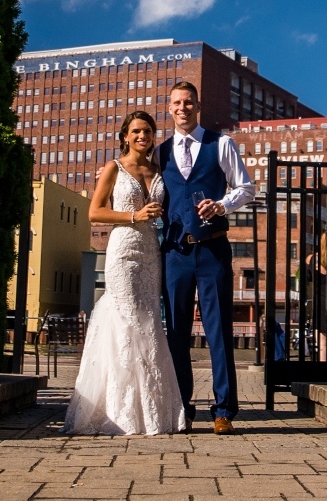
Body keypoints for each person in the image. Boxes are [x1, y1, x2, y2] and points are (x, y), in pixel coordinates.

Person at [61, 111, 187, 435]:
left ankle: (155, 411)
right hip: (122, 251)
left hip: (151, 253)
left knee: (149, 322)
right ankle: (121, 411)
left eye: (147, 131)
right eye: (136, 131)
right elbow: (94, 212)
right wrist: (134, 214)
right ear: (125, 136)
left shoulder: (159, 170)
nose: (142, 136)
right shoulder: (113, 169)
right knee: (129, 320)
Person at [159, 82, 255, 435]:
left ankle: (224, 409)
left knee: (218, 331)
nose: (182, 108)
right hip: (175, 253)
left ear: (197, 106)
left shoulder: (221, 144)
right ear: (169, 109)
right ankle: (182, 406)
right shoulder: (161, 152)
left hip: (213, 248)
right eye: (176, 103)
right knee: (176, 334)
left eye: (188, 102)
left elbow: (247, 188)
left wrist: (221, 204)